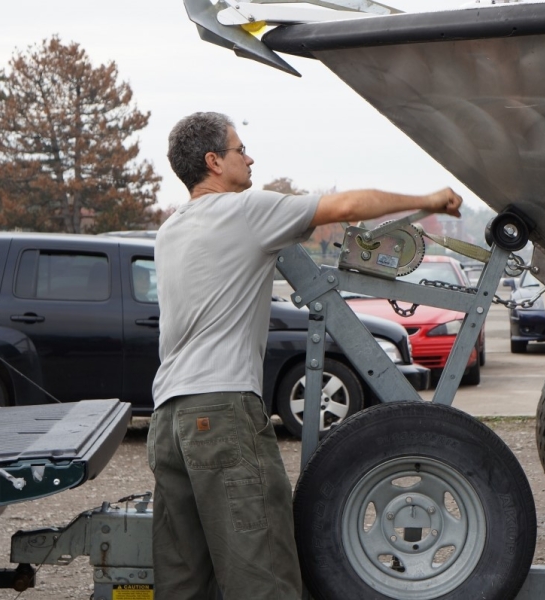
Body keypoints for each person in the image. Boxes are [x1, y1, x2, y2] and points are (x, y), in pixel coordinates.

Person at [147, 111, 463, 600]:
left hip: (169, 421)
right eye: (239, 149)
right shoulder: (244, 211)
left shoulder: (169, 232)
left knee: (183, 581)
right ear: (213, 162)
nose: (249, 157)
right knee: (262, 573)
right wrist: (429, 199)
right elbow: (350, 205)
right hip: (223, 413)